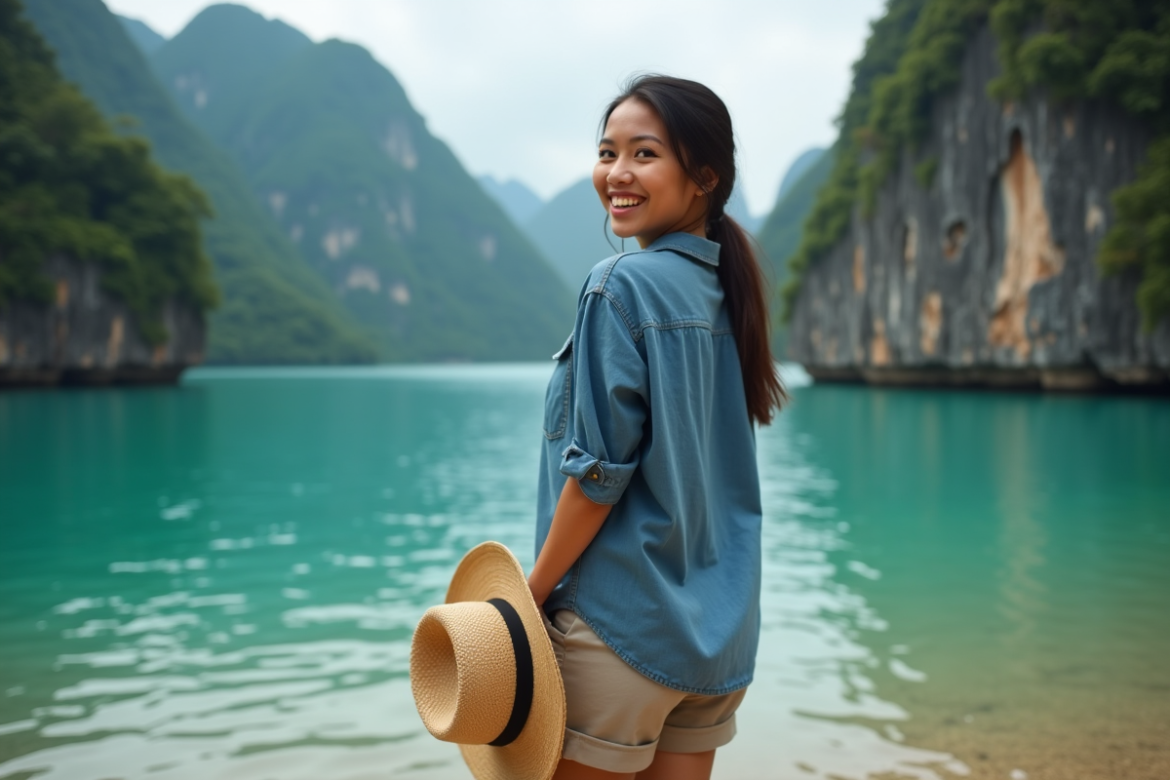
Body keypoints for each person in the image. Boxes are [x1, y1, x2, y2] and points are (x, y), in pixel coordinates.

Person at [528, 74, 787, 780]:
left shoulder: (620, 284)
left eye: (644, 154)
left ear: (704, 177)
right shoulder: (727, 291)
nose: (617, 173)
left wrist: (529, 595)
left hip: (619, 632)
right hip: (717, 641)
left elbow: (599, 476)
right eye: (606, 152)